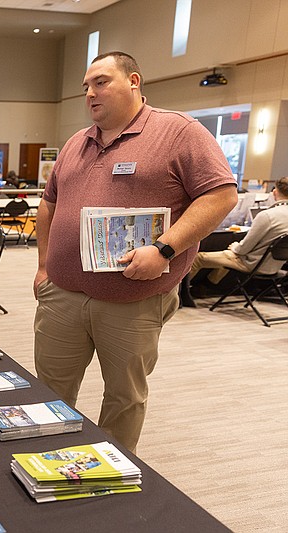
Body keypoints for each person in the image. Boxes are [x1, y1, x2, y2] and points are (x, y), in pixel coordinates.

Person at [33, 51, 238, 453]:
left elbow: (221, 195)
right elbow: (49, 203)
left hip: (133, 299)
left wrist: (165, 249)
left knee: (124, 396)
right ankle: (46, 460)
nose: (90, 93)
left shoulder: (179, 132)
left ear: (133, 81)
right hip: (62, 295)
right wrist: (43, 266)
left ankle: (107, 472)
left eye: (101, 81)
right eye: (86, 87)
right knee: (49, 390)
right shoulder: (77, 142)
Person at [190, 176, 288, 284]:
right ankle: (209, 286)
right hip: (275, 266)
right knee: (228, 255)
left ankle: (185, 292)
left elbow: (244, 249)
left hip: (253, 264)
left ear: (274, 192)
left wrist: (235, 247)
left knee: (197, 258)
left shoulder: (267, 216)